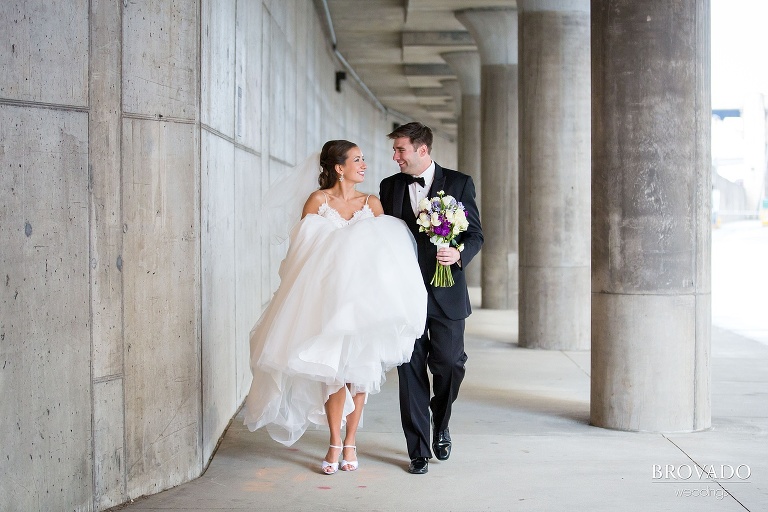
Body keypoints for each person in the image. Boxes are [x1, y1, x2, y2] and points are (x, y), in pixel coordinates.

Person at [244, 140, 427, 475]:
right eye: (357, 160)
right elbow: (301, 253)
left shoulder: (372, 203)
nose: (364, 165)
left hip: (363, 305)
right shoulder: (318, 201)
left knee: (359, 373)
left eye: (363, 159)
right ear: (339, 167)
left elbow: (387, 256)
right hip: (326, 301)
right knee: (333, 374)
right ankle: (333, 440)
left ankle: (351, 441)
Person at [379, 122, 483, 475]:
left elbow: (476, 235)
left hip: (446, 292)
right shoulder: (389, 187)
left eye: (400, 150)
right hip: (404, 295)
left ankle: (441, 423)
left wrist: (458, 255)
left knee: (450, 364)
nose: (395, 157)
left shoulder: (459, 183)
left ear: (422, 150)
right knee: (409, 370)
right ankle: (418, 450)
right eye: (395, 151)